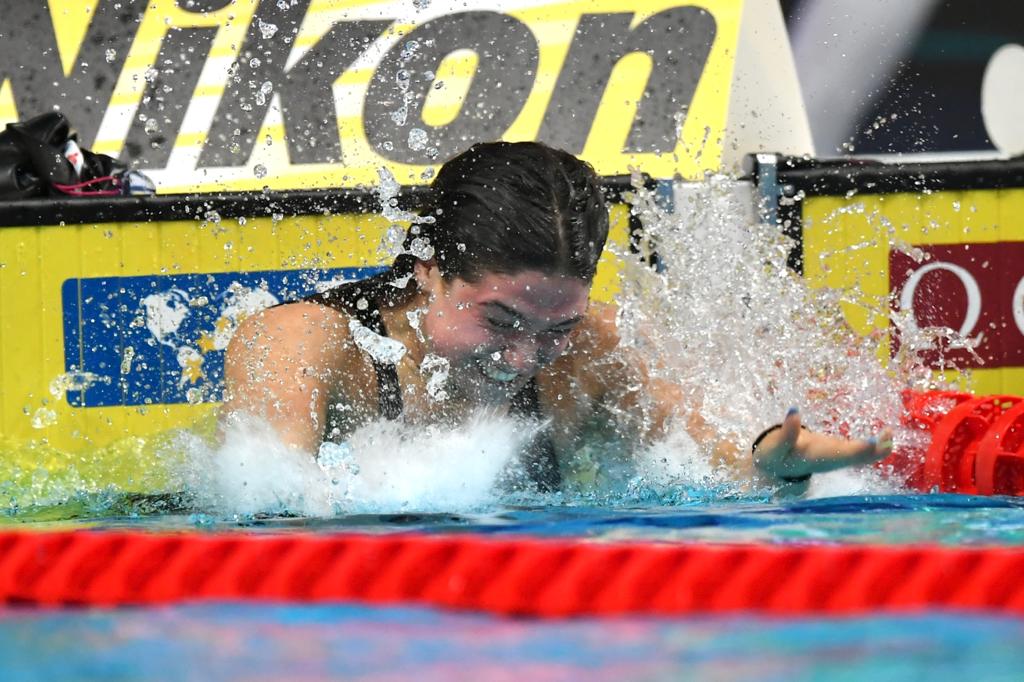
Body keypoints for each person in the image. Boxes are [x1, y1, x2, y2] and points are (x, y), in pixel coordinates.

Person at [223, 141, 892, 493]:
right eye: (502, 322)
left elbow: (701, 458)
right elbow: (269, 509)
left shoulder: (595, 347)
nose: (523, 359)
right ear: (428, 270)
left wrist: (771, 465)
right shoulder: (304, 343)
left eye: (556, 329)